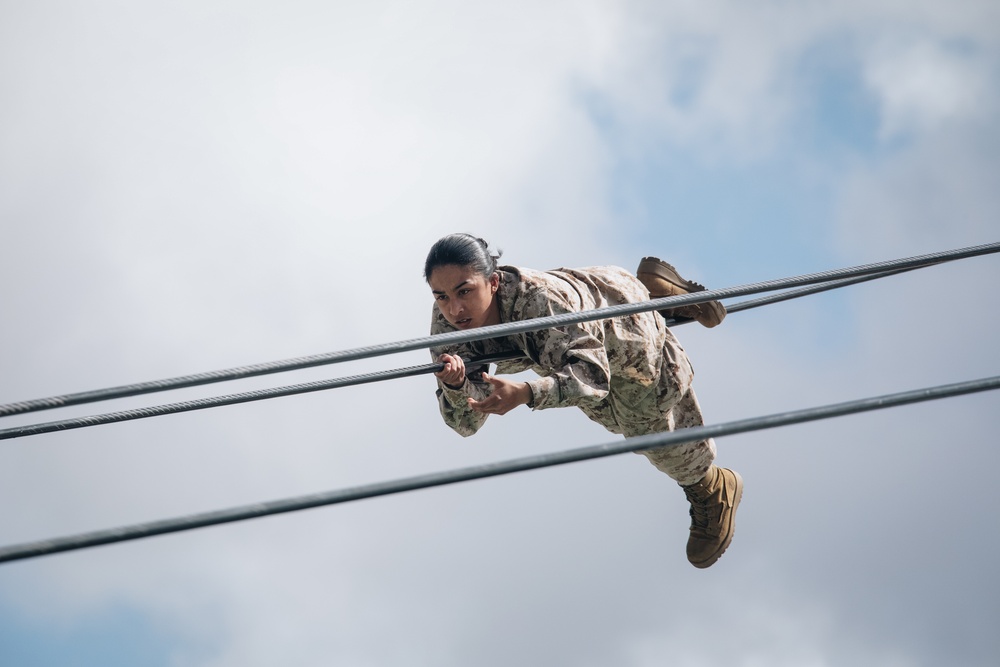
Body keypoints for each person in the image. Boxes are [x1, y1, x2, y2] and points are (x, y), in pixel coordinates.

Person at [425, 233, 742, 569]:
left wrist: (526, 393)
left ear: (493, 281)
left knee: (648, 432)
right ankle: (651, 292)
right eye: (441, 296)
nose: (454, 309)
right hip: (581, 320)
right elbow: (465, 423)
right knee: (606, 413)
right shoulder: (448, 324)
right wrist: (457, 385)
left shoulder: (540, 302)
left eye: (465, 291)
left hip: (622, 337)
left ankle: (712, 488)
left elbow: (593, 377)